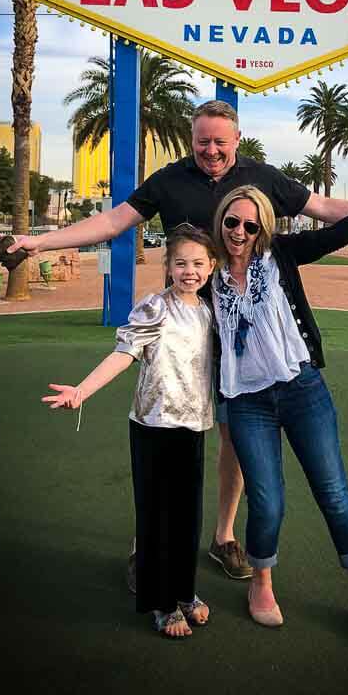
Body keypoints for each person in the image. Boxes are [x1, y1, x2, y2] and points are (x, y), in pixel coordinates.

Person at [0, 100, 348, 584]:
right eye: (202, 141)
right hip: (184, 328)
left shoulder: (262, 178)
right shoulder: (169, 180)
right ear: (191, 139)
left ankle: (223, 537)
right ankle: (150, 545)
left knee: (234, 438)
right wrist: (40, 242)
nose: (210, 150)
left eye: (220, 142)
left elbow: (324, 208)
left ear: (237, 140)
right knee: (165, 434)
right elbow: (111, 222)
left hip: (238, 336)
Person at [210, 184, 348, 647]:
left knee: (334, 494)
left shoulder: (281, 255)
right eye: (232, 222)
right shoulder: (206, 273)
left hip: (301, 389)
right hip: (246, 402)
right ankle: (261, 583)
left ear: (264, 227)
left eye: (251, 224)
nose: (240, 232)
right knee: (267, 502)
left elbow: (337, 233)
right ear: (221, 222)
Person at [41, 224, 218, 638]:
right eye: (180, 263)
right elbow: (124, 354)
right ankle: (160, 603)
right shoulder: (154, 307)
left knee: (187, 516)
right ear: (168, 266)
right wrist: (83, 390)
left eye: (197, 263)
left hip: (192, 427)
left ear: (211, 266)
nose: (189, 271)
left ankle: (185, 592)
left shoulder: (208, 311)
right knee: (156, 517)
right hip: (153, 426)